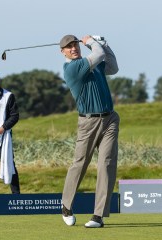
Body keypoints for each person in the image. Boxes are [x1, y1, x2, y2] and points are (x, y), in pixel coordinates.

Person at [59, 35, 120, 228]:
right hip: (88, 122)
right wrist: (92, 43)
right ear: (63, 52)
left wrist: (105, 44)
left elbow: (113, 67)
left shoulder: (92, 63)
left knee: (106, 165)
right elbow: (98, 54)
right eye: (69, 47)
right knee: (80, 164)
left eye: (75, 44)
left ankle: (98, 216)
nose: (73, 48)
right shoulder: (72, 69)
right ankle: (66, 206)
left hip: (109, 119)